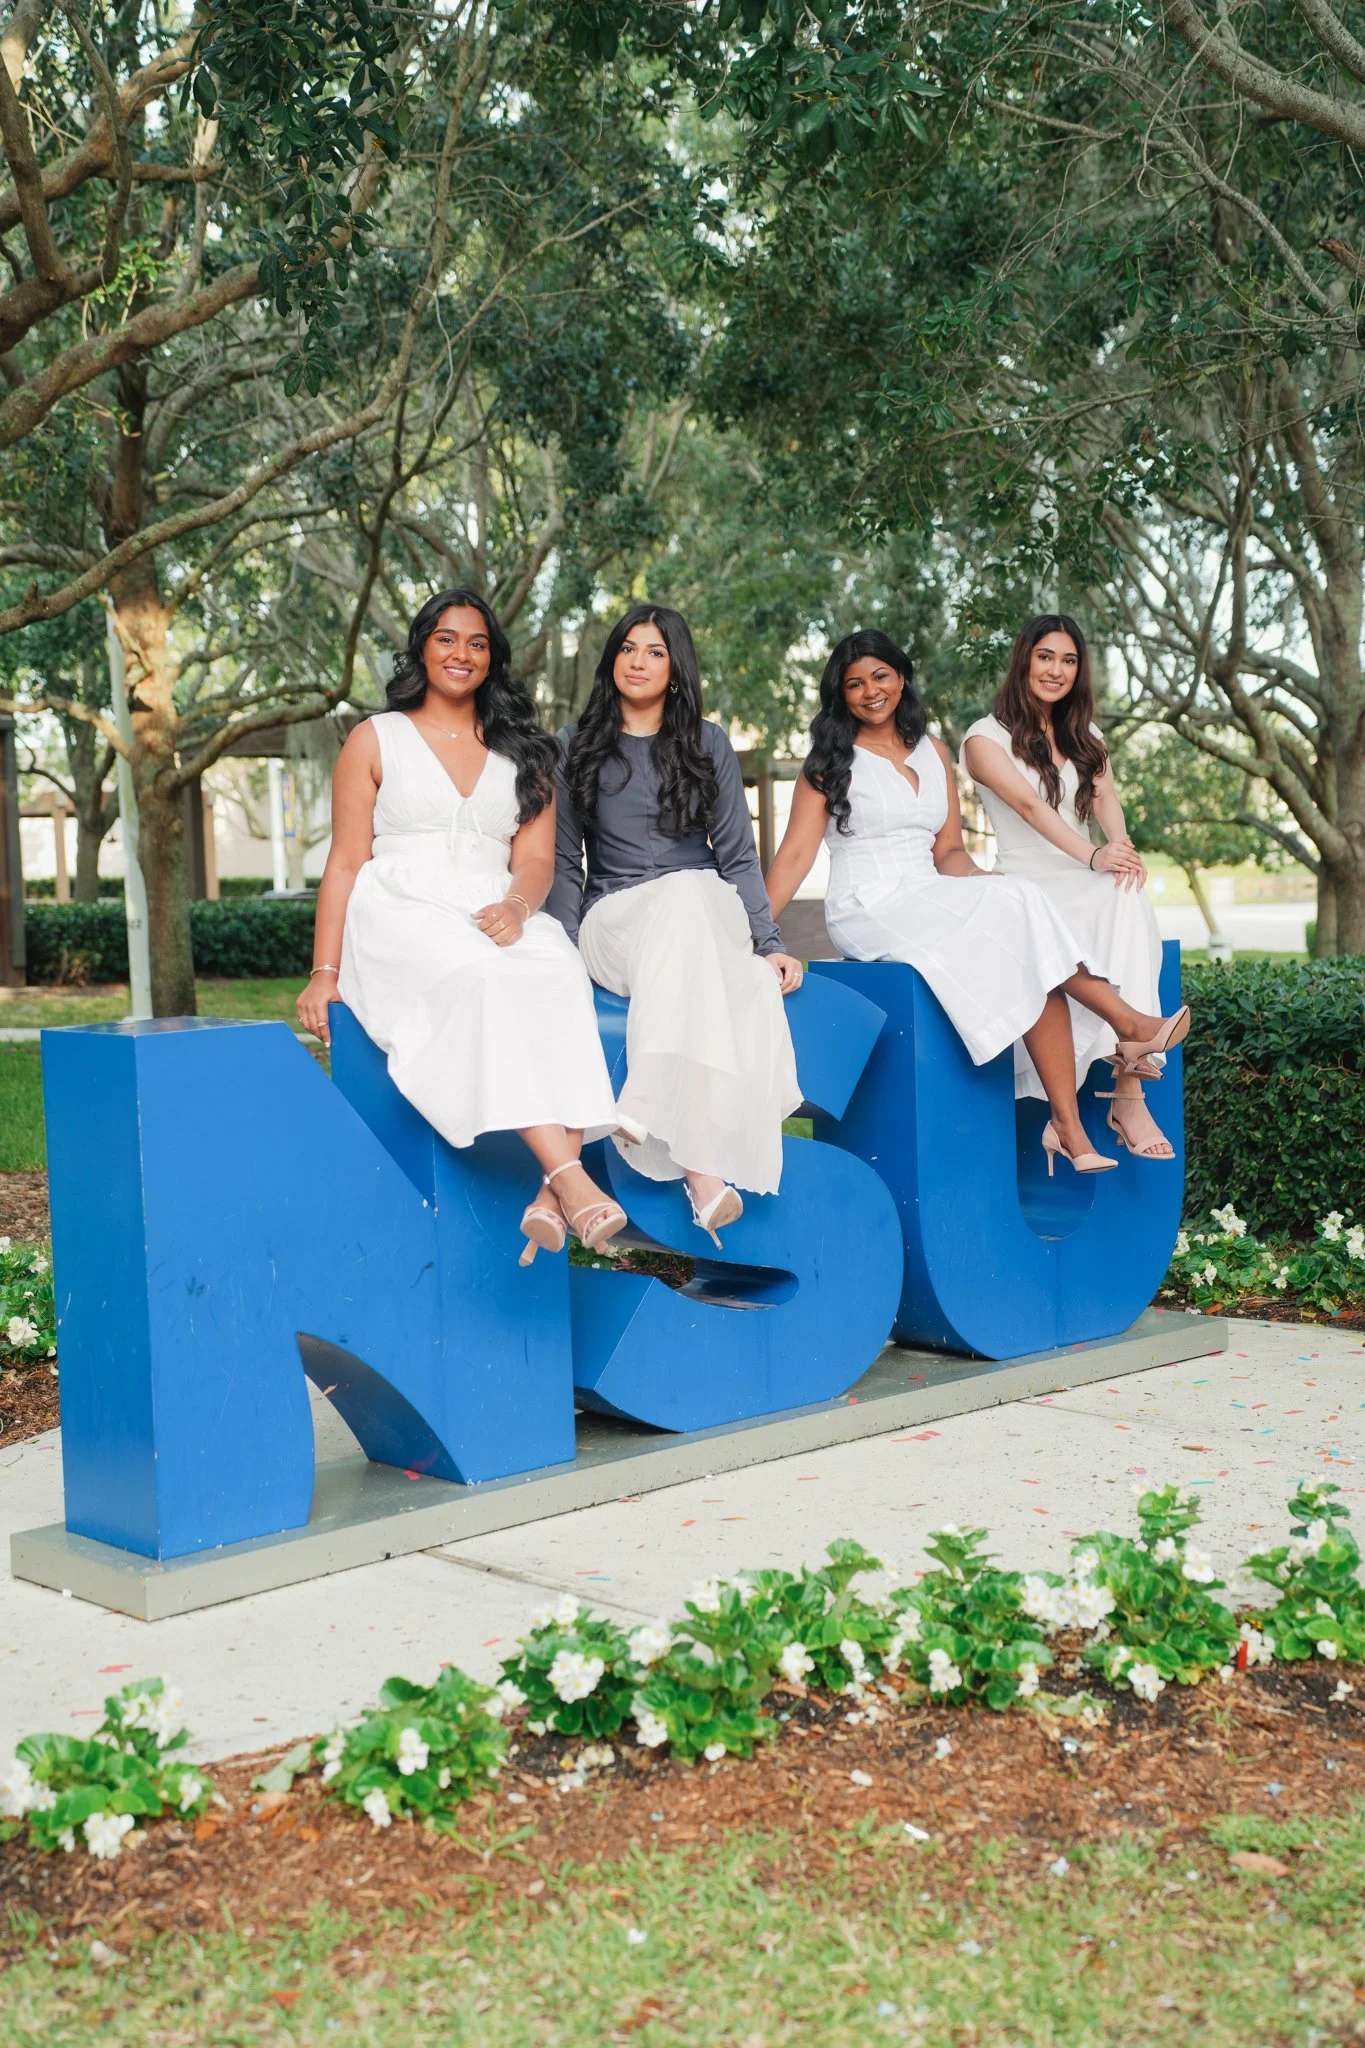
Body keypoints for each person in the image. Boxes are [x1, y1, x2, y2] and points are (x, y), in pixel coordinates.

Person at [765, 629, 1190, 1178]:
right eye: (854, 684)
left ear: (901, 679)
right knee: (1017, 910)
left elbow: (950, 852)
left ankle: (1069, 1125)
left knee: (1018, 904)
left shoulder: (933, 751)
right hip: (868, 904)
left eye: (882, 676)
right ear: (840, 694)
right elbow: (796, 854)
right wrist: (756, 931)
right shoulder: (829, 762)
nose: (871, 691)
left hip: (928, 889)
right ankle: (1127, 1020)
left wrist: (990, 887)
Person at [297, 588, 631, 1265]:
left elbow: (536, 860)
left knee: (558, 972)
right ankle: (568, 1176)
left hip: (493, 905)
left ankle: (548, 1195)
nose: (462, 653)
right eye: (447, 638)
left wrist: (515, 907)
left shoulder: (529, 751)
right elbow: (343, 862)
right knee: (482, 981)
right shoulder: (374, 738)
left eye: (477, 643)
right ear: (422, 646)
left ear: (492, 660)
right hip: (398, 907)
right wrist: (322, 973)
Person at [548, 603, 804, 1242]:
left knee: (695, 893)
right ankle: (703, 1172)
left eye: (655, 652)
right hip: (616, 922)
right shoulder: (573, 745)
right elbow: (561, 862)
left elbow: (738, 856)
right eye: (628, 648)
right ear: (612, 659)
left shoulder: (707, 743)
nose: (638, 662)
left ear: (676, 666)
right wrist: (559, 950)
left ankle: (666, 1131)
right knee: (693, 909)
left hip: (701, 915)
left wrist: (767, 942)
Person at [961, 614, 1173, 1159]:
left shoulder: (1087, 735)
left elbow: (1103, 798)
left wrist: (1119, 850)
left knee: (1126, 893)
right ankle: (1122, 1091)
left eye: (1069, 660)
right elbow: (1031, 808)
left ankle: (1127, 1087)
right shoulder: (984, 739)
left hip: (1087, 870)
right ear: (1024, 660)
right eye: (1047, 656)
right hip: (1027, 879)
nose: (1057, 670)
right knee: (1110, 892)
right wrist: (1095, 854)